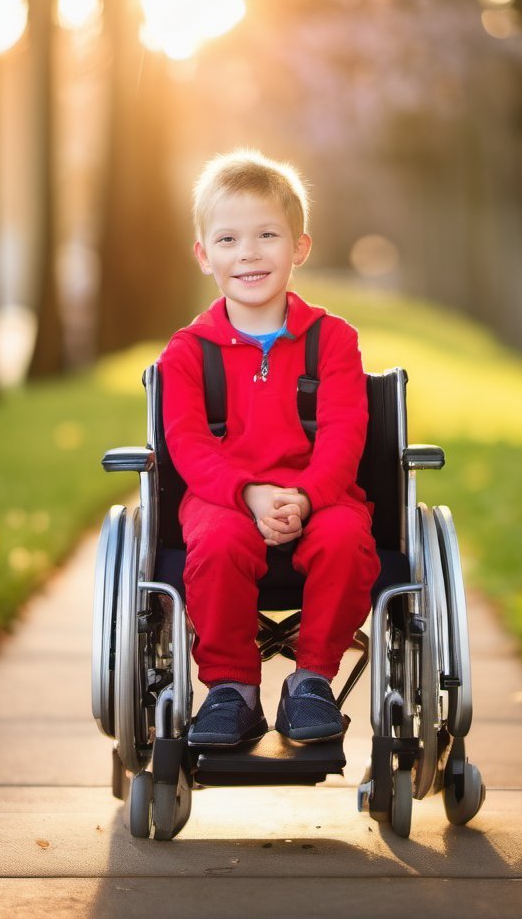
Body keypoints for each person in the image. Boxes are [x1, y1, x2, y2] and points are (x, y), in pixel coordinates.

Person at [158, 148, 381, 749]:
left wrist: (305, 499)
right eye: (228, 239)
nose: (249, 253)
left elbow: (343, 436)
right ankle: (233, 689)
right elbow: (188, 445)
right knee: (219, 541)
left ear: (299, 248)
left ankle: (311, 680)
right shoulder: (186, 354)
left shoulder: (333, 341)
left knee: (346, 540)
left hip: (320, 497)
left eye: (267, 235)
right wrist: (250, 493)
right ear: (205, 256)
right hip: (224, 499)